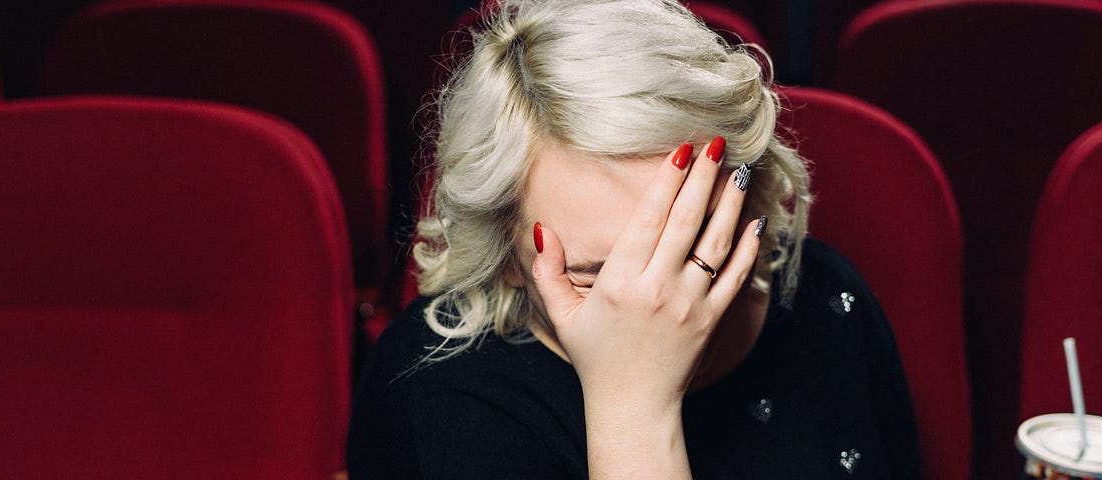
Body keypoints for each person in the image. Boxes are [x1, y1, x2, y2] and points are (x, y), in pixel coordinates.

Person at [347, 1, 918, 478]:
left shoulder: (825, 295)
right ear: (509, 258)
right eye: (595, 273)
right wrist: (634, 412)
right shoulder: (432, 393)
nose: (658, 299)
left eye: (693, 241)